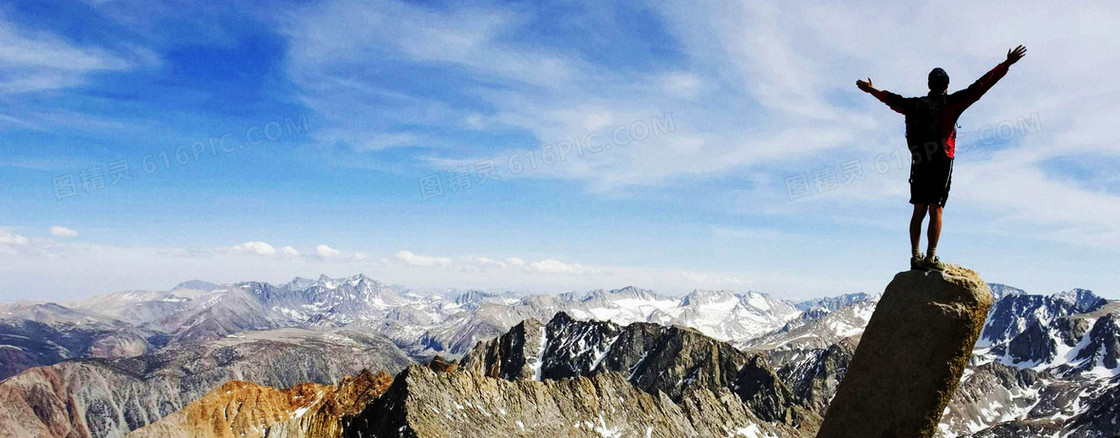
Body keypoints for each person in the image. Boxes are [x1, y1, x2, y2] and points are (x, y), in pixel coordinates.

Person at [857, 45, 1026, 271]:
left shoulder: (914, 105)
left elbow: (890, 99)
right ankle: (930, 258)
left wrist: (871, 90)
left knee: (918, 209)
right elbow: (981, 86)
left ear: (929, 85)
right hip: (941, 160)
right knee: (936, 209)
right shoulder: (952, 103)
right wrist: (1005, 65)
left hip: (919, 160)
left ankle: (915, 257)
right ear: (946, 86)